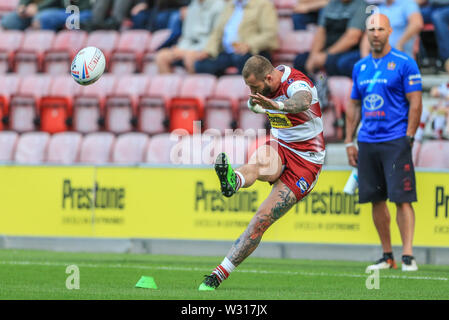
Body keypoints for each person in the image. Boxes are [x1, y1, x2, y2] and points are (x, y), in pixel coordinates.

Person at [198, 55, 325, 290]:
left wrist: (275, 105)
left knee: (261, 219)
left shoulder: (296, 83)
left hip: (307, 161)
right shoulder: (265, 87)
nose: (252, 91)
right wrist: (257, 103)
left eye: (254, 87)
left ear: (268, 78)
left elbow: (303, 101)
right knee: (257, 164)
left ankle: (219, 274)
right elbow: (257, 104)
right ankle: (232, 181)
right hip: (281, 146)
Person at [345, 13, 423, 272]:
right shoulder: (360, 67)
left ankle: (408, 255)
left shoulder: (404, 62)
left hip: (395, 140)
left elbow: (415, 102)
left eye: (380, 29)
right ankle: (387, 255)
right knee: (375, 199)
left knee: (402, 198)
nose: (375, 33)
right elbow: (354, 105)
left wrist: (409, 135)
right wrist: (348, 141)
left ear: (389, 31)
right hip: (367, 141)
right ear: (367, 33)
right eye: (371, 29)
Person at [194, 0, 279, 77]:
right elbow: (217, 33)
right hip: (229, 52)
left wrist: (249, 45)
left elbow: (270, 34)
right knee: (201, 65)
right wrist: (208, 51)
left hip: (254, 53)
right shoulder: (230, 5)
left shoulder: (263, 4)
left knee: (243, 61)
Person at [293, 0, 368, 79]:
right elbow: (320, 33)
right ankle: (309, 88)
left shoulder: (361, 6)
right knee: (300, 60)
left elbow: (352, 38)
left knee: (338, 62)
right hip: (328, 50)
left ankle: (326, 86)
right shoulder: (330, 5)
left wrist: (326, 55)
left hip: (348, 51)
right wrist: (313, 55)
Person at [155, 0, 225, 74]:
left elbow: (215, 38)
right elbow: (187, 36)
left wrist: (186, 51)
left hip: (207, 50)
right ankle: (170, 85)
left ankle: (195, 85)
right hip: (189, 48)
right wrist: (180, 49)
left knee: (189, 57)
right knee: (161, 56)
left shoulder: (219, 5)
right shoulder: (193, 5)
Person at [416, 0, 449, 72]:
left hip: (446, 7)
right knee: (414, 16)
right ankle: (421, 58)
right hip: (433, 7)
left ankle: (446, 59)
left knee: (437, 17)